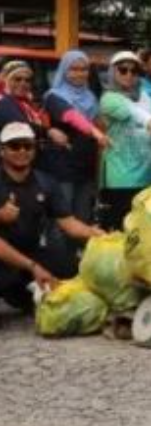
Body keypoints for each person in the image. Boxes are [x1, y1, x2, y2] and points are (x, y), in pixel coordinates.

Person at [0, 123, 103, 311]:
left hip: (29, 253)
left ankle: (24, 294)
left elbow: (69, 224)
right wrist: (33, 267)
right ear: (2, 150)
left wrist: (102, 236)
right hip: (5, 257)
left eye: (28, 145)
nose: (22, 151)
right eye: (15, 146)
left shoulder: (46, 182)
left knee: (73, 269)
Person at [97, 50, 151, 231]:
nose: (129, 75)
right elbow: (131, 112)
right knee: (121, 230)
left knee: (143, 231)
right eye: (123, 70)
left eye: (134, 71)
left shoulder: (145, 97)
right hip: (121, 178)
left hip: (148, 176)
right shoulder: (109, 98)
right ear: (113, 72)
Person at [43, 49, 110, 223]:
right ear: (64, 70)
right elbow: (71, 116)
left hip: (86, 167)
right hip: (63, 167)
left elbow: (100, 123)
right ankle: (59, 252)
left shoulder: (91, 97)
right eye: (73, 69)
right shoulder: (54, 96)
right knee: (63, 218)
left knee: (83, 216)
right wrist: (95, 132)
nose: (79, 74)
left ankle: (78, 250)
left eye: (84, 69)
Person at [0, 59, 68, 174]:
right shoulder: (3, 101)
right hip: (11, 170)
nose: (23, 83)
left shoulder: (28, 103)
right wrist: (49, 132)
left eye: (27, 80)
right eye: (17, 79)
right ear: (5, 80)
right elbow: (22, 126)